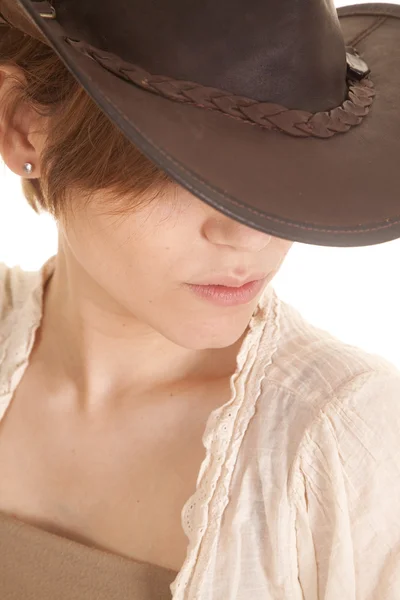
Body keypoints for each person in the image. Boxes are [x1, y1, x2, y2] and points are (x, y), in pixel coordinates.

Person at [0, 1, 399, 599]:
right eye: (179, 164)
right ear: (25, 124)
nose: (250, 233)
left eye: (285, 167)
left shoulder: (349, 443)